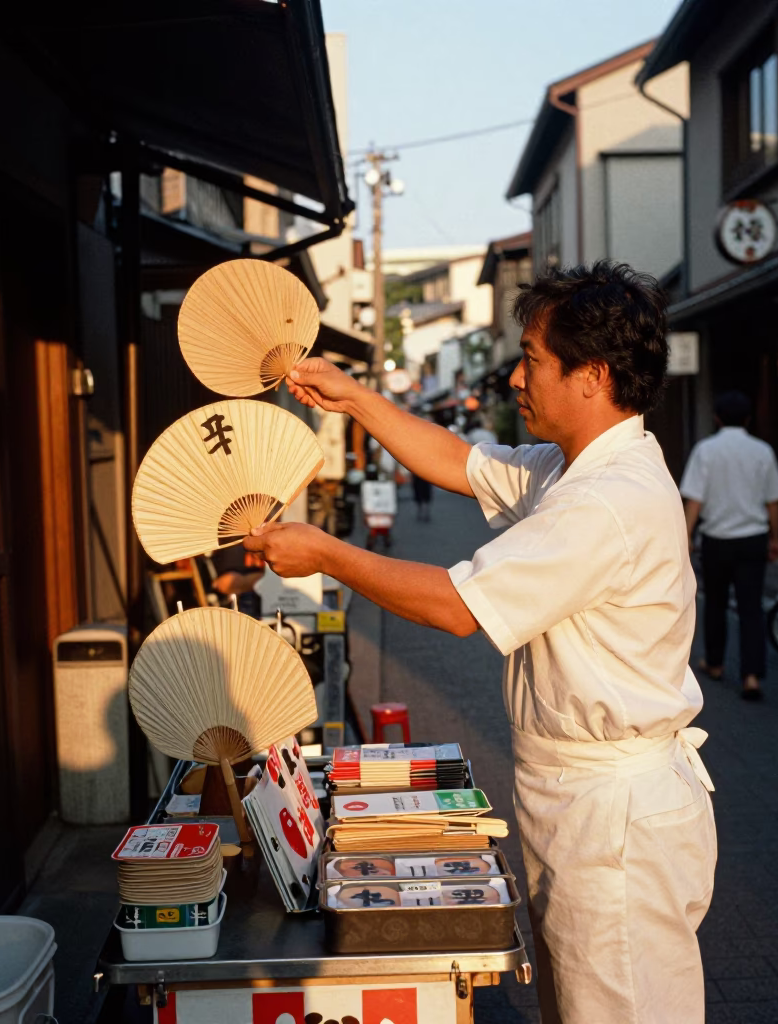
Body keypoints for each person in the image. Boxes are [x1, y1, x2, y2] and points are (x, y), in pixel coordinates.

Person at [244, 261, 717, 1024]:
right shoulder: (580, 468)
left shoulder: (604, 500)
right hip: (586, 798)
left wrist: (326, 554)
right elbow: (461, 463)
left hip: (613, 814)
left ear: (592, 375)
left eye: (531, 358)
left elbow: (457, 606)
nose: (516, 379)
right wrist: (358, 398)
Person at [680, 391, 778, 701]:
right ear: (748, 419)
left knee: (715, 603)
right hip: (753, 538)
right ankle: (751, 677)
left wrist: (686, 536)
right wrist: (775, 537)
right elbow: (774, 500)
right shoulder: (762, 451)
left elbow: (695, 499)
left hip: (716, 540)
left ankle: (714, 664)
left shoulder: (706, 450)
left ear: (716, 418)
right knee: (751, 608)